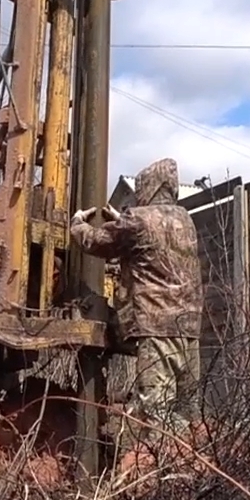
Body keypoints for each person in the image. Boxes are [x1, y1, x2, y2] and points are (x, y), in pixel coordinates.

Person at [69, 157, 203, 452]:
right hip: (190, 329)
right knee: (188, 411)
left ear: (148, 188)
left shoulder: (139, 220)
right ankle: (194, 472)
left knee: (156, 413)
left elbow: (96, 242)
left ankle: (161, 482)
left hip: (155, 325)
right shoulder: (185, 220)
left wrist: (77, 223)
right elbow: (152, 246)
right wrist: (123, 222)